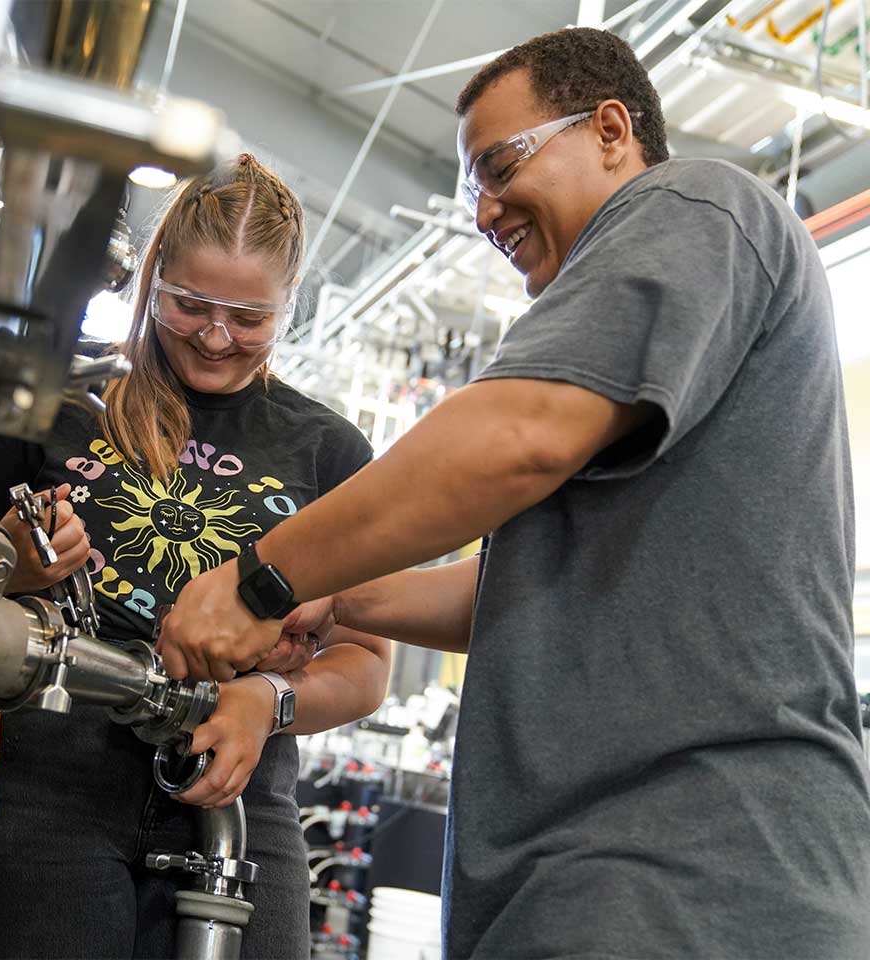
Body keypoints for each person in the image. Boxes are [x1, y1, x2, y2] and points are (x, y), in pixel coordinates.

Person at [158, 28, 870, 959]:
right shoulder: (622, 368)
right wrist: (339, 602)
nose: (486, 212)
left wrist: (262, 579)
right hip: (590, 879)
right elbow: (526, 585)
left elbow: (515, 437)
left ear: (611, 130)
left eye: (501, 166)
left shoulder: (694, 205)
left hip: (682, 869)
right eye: (472, 191)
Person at [0, 153, 392, 959]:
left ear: (290, 306)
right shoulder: (53, 398)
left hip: (236, 790)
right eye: (189, 305)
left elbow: (365, 663)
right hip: (38, 785)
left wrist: (267, 700)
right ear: (154, 275)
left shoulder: (330, 451)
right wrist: (14, 570)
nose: (216, 336)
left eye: (250, 317)